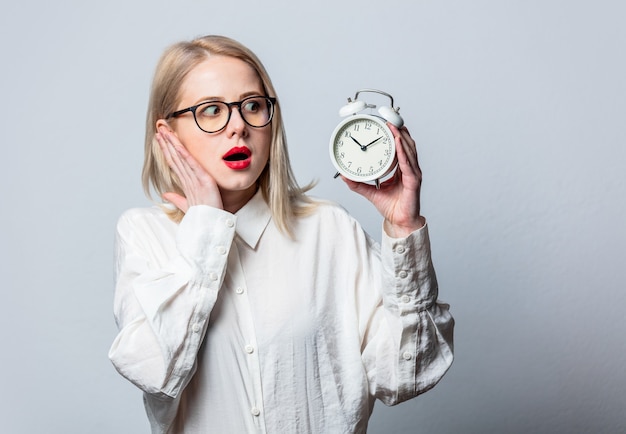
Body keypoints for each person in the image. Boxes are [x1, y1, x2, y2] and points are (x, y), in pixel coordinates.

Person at [109, 34, 454, 434]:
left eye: (252, 106)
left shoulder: (329, 230)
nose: (238, 126)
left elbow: (406, 374)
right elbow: (153, 372)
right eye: (211, 110)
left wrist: (403, 228)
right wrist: (206, 225)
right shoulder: (145, 235)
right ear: (168, 133)